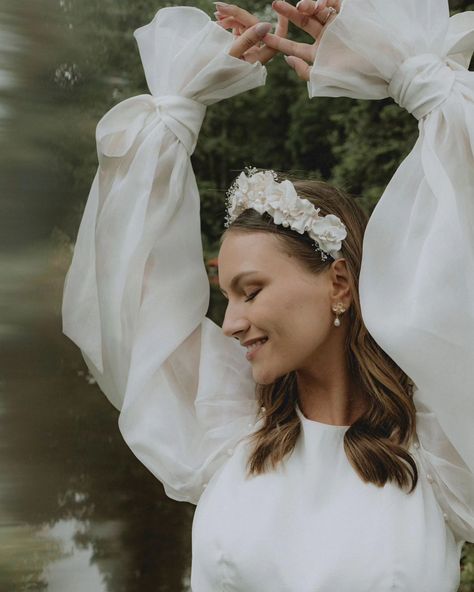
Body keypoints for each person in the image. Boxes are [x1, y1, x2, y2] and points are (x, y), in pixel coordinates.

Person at [62, 0, 474, 590]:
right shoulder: (220, 430)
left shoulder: (444, 452)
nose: (230, 324)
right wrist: (180, 104)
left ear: (338, 283)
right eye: (226, 296)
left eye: (251, 291)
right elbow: (121, 282)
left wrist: (410, 69)